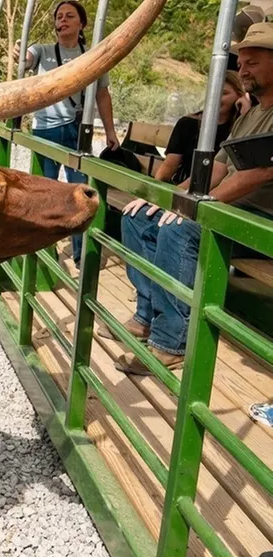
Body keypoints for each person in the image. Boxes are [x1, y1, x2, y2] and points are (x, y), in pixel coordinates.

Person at [111, 21, 273, 376]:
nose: (242, 70)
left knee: (181, 230)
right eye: (240, 63)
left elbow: (259, 173)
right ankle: (149, 315)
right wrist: (170, 198)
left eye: (252, 63)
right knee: (137, 217)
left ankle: (172, 344)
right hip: (237, 212)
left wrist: (199, 208)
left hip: (264, 224)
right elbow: (218, 167)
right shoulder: (253, 114)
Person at [15, 1, 121, 263]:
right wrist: (20, 50)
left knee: (80, 194)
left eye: (69, 16)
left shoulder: (91, 56)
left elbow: (102, 94)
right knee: (44, 193)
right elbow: (25, 60)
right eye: (59, 16)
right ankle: (42, 254)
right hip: (46, 131)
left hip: (77, 132)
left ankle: (80, 254)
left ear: (81, 24)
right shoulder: (42, 51)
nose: (62, 20)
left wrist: (110, 131)